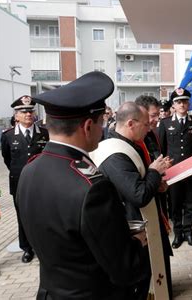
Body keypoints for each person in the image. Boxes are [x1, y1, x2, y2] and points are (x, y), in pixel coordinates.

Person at [16, 71, 147, 299]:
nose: (103, 128)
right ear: (87, 126)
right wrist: (137, 241)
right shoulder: (93, 187)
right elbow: (124, 268)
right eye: (102, 122)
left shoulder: (29, 170)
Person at [92, 102, 173, 300]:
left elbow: (140, 180)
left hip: (143, 223)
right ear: (131, 123)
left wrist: (157, 184)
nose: (150, 127)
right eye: (146, 124)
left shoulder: (129, 143)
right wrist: (154, 171)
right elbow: (138, 194)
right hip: (133, 228)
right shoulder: (115, 153)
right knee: (140, 285)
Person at [0, 95, 49, 263]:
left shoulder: (44, 133)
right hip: (19, 183)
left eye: (30, 111)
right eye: (23, 111)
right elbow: (7, 159)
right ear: (16, 116)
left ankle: (42, 246)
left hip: (41, 183)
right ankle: (27, 248)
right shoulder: (8, 136)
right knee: (22, 216)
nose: (28, 114)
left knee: (42, 215)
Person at [158, 88, 192, 248]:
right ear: (173, 105)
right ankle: (178, 233)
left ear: (188, 103)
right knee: (175, 204)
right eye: (178, 102)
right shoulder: (165, 123)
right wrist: (163, 171)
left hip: (191, 171)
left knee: (191, 203)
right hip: (174, 172)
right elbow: (162, 149)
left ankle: (188, 232)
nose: (182, 104)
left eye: (184, 101)